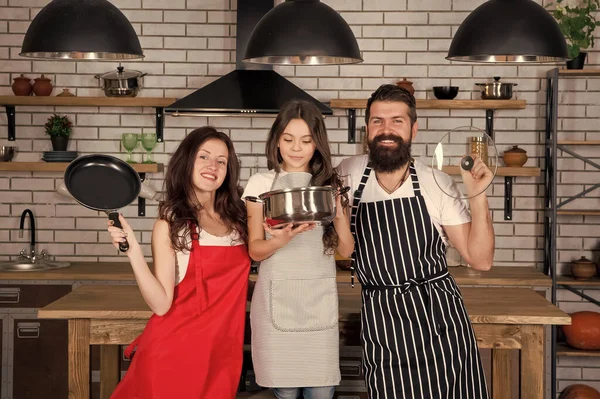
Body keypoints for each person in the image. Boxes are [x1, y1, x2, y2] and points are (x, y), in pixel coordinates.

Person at [337, 84, 494, 398]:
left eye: (397, 121)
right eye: (378, 121)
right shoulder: (348, 175)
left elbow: (480, 259)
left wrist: (477, 194)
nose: (387, 129)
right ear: (367, 128)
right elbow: (342, 249)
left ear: (414, 129)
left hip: (437, 318)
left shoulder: (436, 182)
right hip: (381, 318)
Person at [106, 127, 251, 399]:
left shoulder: (239, 221)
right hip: (174, 354)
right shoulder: (171, 224)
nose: (213, 166)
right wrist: (133, 251)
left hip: (222, 355)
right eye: (204, 157)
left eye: (222, 160)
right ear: (187, 163)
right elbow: (161, 304)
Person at [242, 99, 354, 399]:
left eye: (306, 140)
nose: (296, 148)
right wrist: (282, 239)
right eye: (288, 139)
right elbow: (255, 250)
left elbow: (347, 248)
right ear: (277, 140)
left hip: (319, 304)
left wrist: (341, 212)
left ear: (317, 144)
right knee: (286, 391)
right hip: (275, 304)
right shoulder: (260, 183)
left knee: (321, 391)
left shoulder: (331, 185)